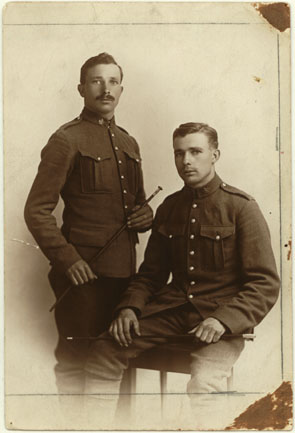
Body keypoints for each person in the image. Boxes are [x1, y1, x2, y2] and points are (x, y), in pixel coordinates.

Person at [83, 122, 280, 429]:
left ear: (215, 155)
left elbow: (264, 283)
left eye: (195, 151)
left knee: (204, 386)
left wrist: (223, 320)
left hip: (221, 321)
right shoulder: (170, 207)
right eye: (179, 153)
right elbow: (151, 274)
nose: (186, 161)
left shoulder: (242, 207)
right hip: (172, 312)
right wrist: (129, 307)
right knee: (104, 350)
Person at [24, 53, 153, 407]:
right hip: (82, 280)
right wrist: (68, 260)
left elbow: (139, 204)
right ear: (82, 89)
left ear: (122, 90)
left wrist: (147, 215)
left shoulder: (129, 144)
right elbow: (36, 210)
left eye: (113, 82)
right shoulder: (66, 140)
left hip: (125, 278)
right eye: (96, 81)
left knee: (118, 365)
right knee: (75, 365)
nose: (105, 89)